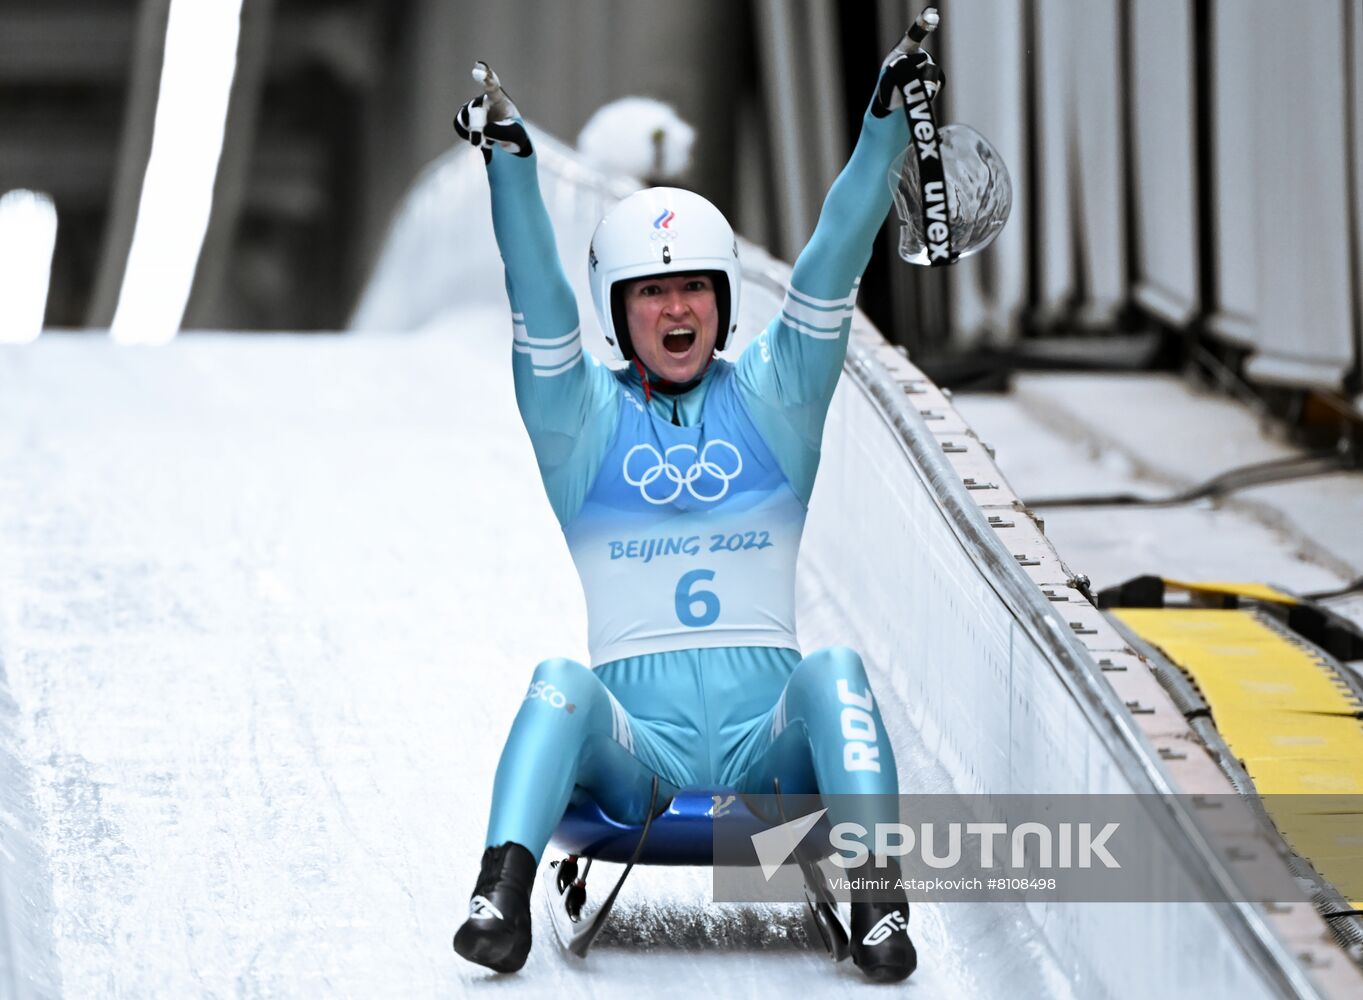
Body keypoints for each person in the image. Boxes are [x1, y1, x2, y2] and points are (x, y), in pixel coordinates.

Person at [449, 29, 938, 984]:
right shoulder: (577, 421)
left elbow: (832, 260)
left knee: (834, 666)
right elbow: (537, 300)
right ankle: (496, 893)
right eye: (652, 292)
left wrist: (883, 126)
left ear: (721, 300)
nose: (677, 311)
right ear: (619, 308)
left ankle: (881, 903)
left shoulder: (776, 397)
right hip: (642, 763)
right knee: (559, 677)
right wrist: (512, 166)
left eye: (693, 290)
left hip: (769, 758)